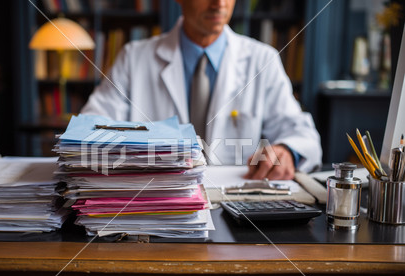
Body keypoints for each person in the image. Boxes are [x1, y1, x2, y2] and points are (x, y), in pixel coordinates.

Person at [81, 0, 322, 180]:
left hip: (236, 206)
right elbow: (89, 129)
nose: (219, 4)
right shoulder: (134, 59)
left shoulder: (262, 60)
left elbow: (303, 135)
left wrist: (287, 150)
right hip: (155, 205)